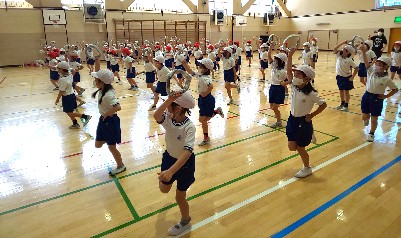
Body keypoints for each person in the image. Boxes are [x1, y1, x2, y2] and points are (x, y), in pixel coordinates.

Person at [153, 91, 196, 236]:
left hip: (185, 165)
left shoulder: (189, 127)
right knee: (164, 190)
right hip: (169, 158)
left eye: (169, 104)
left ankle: (185, 220)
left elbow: (187, 152)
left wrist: (171, 171)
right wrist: (169, 100)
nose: (166, 107)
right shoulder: (168, 119)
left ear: (177, 108)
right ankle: (167, 176)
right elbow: (156, 115)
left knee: (180, 196)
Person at [283, 47, 327, 178]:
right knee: (291, 147)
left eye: (298, 74)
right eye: (295, 74)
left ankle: (307, 168)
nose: (295, 76)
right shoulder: (294, 86)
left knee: (300, 148)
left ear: (307, 78)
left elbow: (323, 104)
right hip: (292, 120)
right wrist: (290, 55)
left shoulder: (311, 93)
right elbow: (288, 70)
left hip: (303, 121)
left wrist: (311, 115)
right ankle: (311, 132)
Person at [359, 45, 398, 142]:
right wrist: (363, 51)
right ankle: (366, 118)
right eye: (377, 63)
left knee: (374, 118)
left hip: (377, 98)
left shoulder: (387, 79)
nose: (377, 65)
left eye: (380, 64)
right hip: (367, 95)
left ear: (386, 67)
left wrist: (385, 96)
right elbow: (366, 62)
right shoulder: (371, 71)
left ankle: (371, 134)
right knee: (365, 116)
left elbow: (395, 89)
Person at [181, 58, 224, 146]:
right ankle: (216, 112)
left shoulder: (205, 78)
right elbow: (191, 71)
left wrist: (205, 93)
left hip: (207, 100)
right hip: (202, 99)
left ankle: (206, 138)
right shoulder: (200, 75)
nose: (198, 67)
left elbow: (211, 86)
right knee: (205, 119)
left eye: (201, 66)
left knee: (202, 120)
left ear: (206, 69)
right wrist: (185, 64)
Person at [91, 69, 125, 175]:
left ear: (102, 82)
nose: (94, 81)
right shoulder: (103, 90)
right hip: (103, 120)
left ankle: (121, 166)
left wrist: (106, 114)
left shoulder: (108, 95)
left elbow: (118, 107)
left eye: (96, 80)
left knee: (111, 147)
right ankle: (108, 138)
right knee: (98, 145)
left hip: (110, 121)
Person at [54, 61, 92, 129]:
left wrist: (57, 99)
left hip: (67, 97)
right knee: (70, 111)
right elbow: (73, 70)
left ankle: (85, 117)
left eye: (58, 68)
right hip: (72, 95)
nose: (57, 70)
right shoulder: (70, 75)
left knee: (69, 112)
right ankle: (75, 123)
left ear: (62, 69)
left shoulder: (63, 79)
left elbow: (61, 91)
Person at [333, 41, 359, 112]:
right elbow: (335, 49)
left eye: (344, 49)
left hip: (347, 77)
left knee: (346, 92)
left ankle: (346, 105)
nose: (342, 49)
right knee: (341, 90)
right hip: (339, 77)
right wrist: (342, 43)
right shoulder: (339, 55)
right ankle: (342, 103)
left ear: (347, 52)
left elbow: (356, 68)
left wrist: (352, 77)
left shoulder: (349, 60)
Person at [267, 44, 287, 128]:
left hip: (279, 89)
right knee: (272, 107)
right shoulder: (273, 67)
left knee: (275, 107)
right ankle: (278, 118)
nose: (274, 61)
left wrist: (284, 84)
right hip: (272, 87)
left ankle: (279, 122)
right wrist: (270, 47)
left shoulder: (283, 72)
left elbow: (290, 80)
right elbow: (269, 56)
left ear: (281, 62)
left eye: (276, 60)